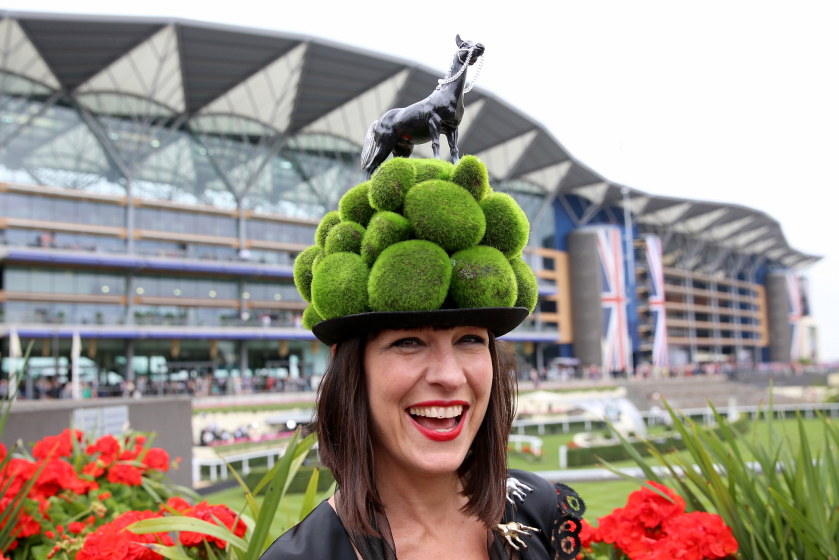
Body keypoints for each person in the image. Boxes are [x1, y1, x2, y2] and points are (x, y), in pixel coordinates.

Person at [261, 157, 585, 560]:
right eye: (409, 342)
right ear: (350, 367)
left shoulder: (540, 509)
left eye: (469, 339)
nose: (449, 376)